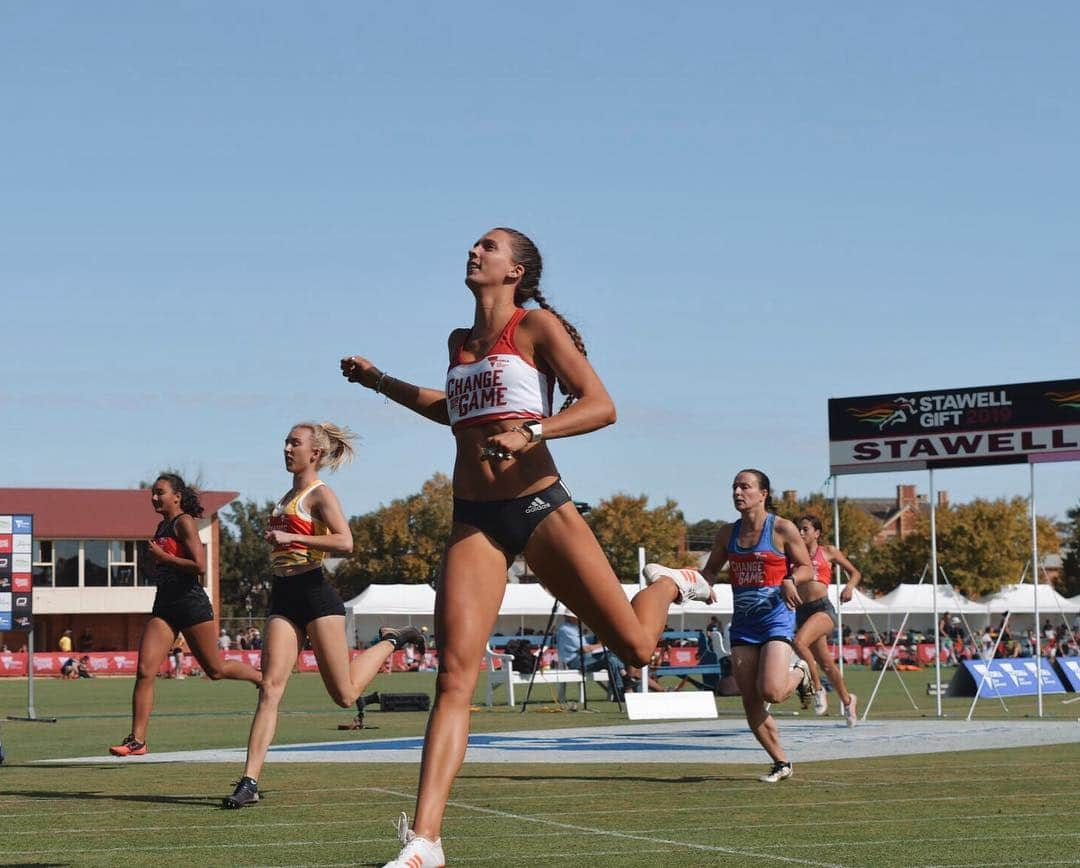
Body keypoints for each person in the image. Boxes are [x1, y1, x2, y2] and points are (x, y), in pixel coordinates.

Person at [341, 227, 713, 867]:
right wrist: (381, 382)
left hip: (540, 506)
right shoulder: (460, 343)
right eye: (473, 245)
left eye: (488, 246)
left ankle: (670, 583)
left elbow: (601, 405)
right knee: (455, 677)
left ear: (515, 271)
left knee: (636, 648)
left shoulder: (535, 326)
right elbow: (451, 411)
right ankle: (426, 842)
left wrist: (533, 431)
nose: (474, 251)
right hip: (474, 519)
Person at [222, 422, 423, 809]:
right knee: (270, 688)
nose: (285, 448)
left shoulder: (320, 494)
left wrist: (294, 538)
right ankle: (249, 781)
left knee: (345, 696)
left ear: (314, 454)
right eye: (284, 441)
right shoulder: (285, 497)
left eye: (294, 443)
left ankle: (392, 639)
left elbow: (345, 541)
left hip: (315, 593)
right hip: (283, 595)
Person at [652, 470, 813, 783]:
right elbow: (710, 570)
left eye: (746, 486)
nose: (738, 492)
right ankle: (781, 762)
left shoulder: (781, 528)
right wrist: (695, 586)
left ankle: (801, 672)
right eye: (735, 487)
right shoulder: (727, 534)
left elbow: (806, 566)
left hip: (776, 618)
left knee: (772, 691)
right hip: (743, 623)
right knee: (750, 701)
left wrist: (791, 579)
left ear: (763, 493)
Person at [109, 474, 263, 757]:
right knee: (144, 670)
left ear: (177, 496)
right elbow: (160, 568)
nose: (154, 497)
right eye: (152, 493)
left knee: (215, 670)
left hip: (191, 604)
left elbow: (199, 566)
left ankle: (260, 678)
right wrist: (150, 562)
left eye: (160, 493)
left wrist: (164, 557)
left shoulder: (184, 522)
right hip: (165, 604)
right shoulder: (161, 526)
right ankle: (137, 740)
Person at [791, 514, 861, 725]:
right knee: (827, 665)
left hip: (822, 609)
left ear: (817, 533)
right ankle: (849, 701)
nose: (800, 533)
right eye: (798, 529)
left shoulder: (828, 552)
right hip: (802, 612)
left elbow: (855, 572)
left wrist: (849, 587)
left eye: (805, 529)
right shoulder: (793, 555)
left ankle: (817, 688)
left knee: (799, 643)